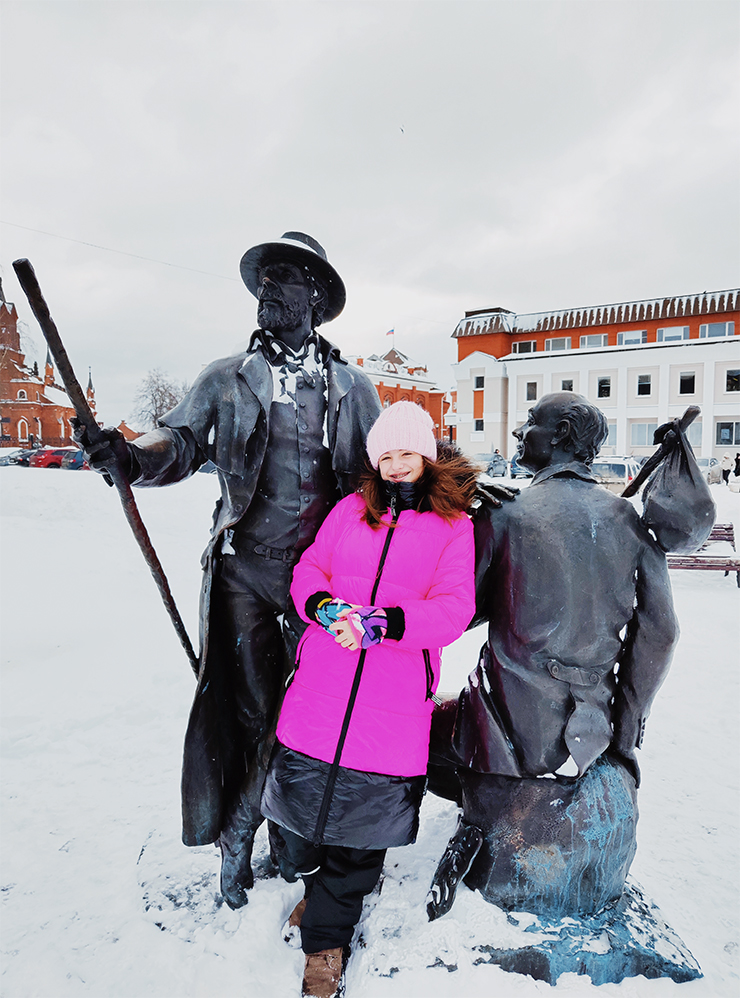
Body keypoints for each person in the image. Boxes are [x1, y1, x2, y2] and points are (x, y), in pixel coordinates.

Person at [74, 232, 382, 908]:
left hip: (320, 586)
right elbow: (179, 440)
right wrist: (129, 456)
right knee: (251, 713)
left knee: (309, 717)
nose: (269, 289)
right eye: (263, 278)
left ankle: (282, 839)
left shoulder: (353, 388)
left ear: (317, 298)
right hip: (244, 575)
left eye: (285, 278)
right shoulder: (227, 376)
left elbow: (377, 479)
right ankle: (241, 839)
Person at [427, 391, 679, 918]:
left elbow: (461, 613)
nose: (521, 434)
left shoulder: (506, 516)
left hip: (507, 729)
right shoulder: (630, 522)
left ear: (561, 433)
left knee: (425, 730)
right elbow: (661, 632)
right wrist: (627, 720)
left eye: (531, 423)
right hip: (592, 724)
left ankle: (476, 828)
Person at [261, 401, 477, 998]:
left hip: (392, 698)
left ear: (427, 456)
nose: (395, 466)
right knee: (302, 817)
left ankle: (326, 945)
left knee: (360, 833)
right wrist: (324, 607)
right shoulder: (350, 512)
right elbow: (310, 571)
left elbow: (454, 609)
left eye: (406, 454)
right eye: (385, 456)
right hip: (321, 689)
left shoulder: (454, 525)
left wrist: (389, 623)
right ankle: (321, 893)